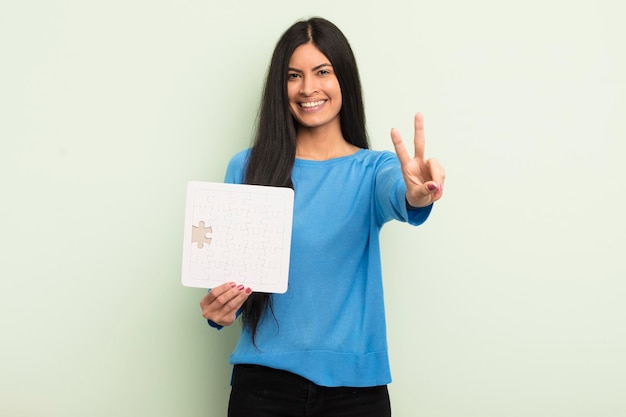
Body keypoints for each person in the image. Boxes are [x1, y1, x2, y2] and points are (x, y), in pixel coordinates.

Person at [199, 16, 445, 417]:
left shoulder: (373, 170)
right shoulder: (247, 169)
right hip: (262, 389)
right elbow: (230, 286)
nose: (308, 88)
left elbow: (400, 194)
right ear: (281, 87)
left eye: (322, 72)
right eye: (294, 75)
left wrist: (418, 194)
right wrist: (218, 310)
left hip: (356, 395)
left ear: (343, 79)